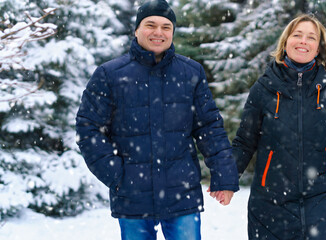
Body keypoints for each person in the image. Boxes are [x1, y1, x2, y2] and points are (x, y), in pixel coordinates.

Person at [75, 0, 239, 239]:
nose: (158, 32)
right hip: (133, 196)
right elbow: (88, 129)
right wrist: (117, 176)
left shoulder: (191, 72)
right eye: (150, 25)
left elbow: (209, 127)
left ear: (172, 32)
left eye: (166, 27)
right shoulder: (109, 74)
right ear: (136, 30)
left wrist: (224, 175)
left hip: (181, 193)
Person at [232, 14, 326, 239]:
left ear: (319, 47)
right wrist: (226, 179)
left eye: (311, 37)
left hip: (323, 205)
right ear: (285, 42)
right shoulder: (263, 88)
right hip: (270, 207)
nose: (303, 41)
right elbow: (244, 142)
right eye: (297, 34)